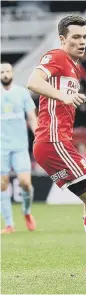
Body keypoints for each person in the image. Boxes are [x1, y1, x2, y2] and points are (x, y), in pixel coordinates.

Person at [26, 15, 86, 283]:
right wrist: (65, 96)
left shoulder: (74, 67)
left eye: (85, 37)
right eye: (76, 37)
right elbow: (33, 81)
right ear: (63, 39)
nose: (82, 42)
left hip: (54, 143)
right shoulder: (56, 56)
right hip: (53, 142)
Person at [1, 62, 38, 234]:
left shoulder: (22, 92)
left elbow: (31, 115)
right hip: (1, 147)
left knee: (25, 182)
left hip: (20, 145)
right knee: (2, 184)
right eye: (2, 72)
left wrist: (37, 133)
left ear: (12, 73)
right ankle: (9, 224)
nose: (5, 74)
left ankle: (27, 211)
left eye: (7, 71)